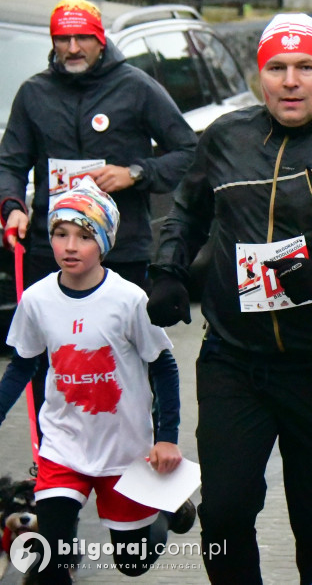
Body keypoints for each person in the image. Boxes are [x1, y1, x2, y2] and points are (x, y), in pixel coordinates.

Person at [146, 13, 312, 584]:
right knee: (225, 510)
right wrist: (168, 273)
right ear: (261, 76)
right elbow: (187, 209)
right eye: (276, 68)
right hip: (234, 358)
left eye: (306, 67)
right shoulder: (228, 136)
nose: (290, 80)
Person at [0, 0, 197, 441]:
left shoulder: (136, 87)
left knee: (126, 356)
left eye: (82, 37)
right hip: (48, 248)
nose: (72, 48)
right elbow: (10, 161)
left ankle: (144, 449)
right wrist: (11, 206)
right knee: (42, 357)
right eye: (63, 39)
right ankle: (50, 454)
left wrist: (135, 173)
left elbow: (186, 149)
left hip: (120, 249)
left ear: (99, 39)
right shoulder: (34, 93)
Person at [0, 178, 194, 584]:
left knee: (132, 562)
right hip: (63, 447)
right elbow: (22, 366)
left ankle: (166, 506)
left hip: (123, 449)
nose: (70, 246)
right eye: (60, 234)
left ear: (104, 242)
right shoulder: (36, 300)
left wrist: (167, 438)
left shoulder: (129, 300)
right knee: (50, 558)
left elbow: (164, 366)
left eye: (84, 236)